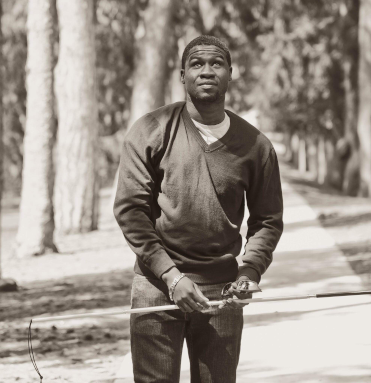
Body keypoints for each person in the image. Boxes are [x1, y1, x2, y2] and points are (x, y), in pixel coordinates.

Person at [113, 35, 283, 383]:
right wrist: (171, 277)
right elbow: (131, 211)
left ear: (230, 73)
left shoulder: (257, 146)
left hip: (222, 292)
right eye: (197, 63)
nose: (207, 71)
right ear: (182, 75)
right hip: (157, 286)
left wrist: (248, 273)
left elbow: (267, 221)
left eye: (216, 63)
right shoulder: (151, 131)